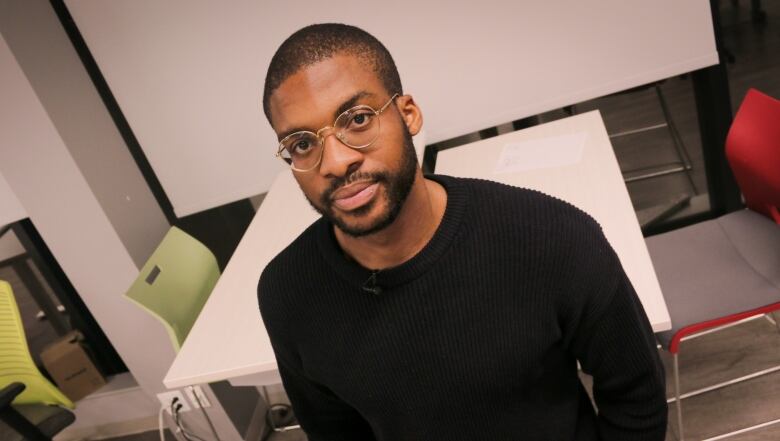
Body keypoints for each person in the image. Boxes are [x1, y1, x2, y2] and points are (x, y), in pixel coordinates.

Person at [258, 23, 667, 441]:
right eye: (302, 144)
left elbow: (636, 399)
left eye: (358, 119)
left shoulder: (552, 238)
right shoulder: (287, 293)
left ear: (408, 114)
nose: (336, 161)